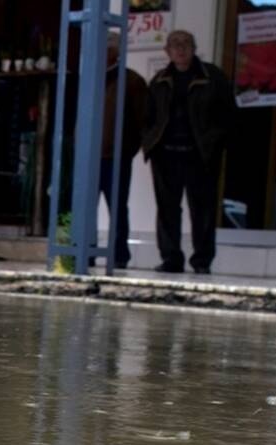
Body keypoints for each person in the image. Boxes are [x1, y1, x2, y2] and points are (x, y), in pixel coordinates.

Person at [141, 30, 235, 275]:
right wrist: (151, 143)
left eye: (185, 44)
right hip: (166, 154)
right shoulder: (159, 81)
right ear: (167, 52)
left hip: (200, 154)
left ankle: (201, 260)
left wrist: (214, 143)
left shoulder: (213, 77)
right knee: (167, 209)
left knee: (202, 210)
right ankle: (171, 258)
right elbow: (148, 117)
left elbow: (228, 116)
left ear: (194, 48)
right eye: (175, 45)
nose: (180, 49)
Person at [96, 33, 149, 270]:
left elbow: (142, 120)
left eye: (107, 48)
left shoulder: (132, 81)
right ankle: (84, 251)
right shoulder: (90, 78)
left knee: (117, 207)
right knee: (85, 208)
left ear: (115, 53)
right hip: (90, 157)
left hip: (116, 156)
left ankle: (119, 255)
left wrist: (128, 150)